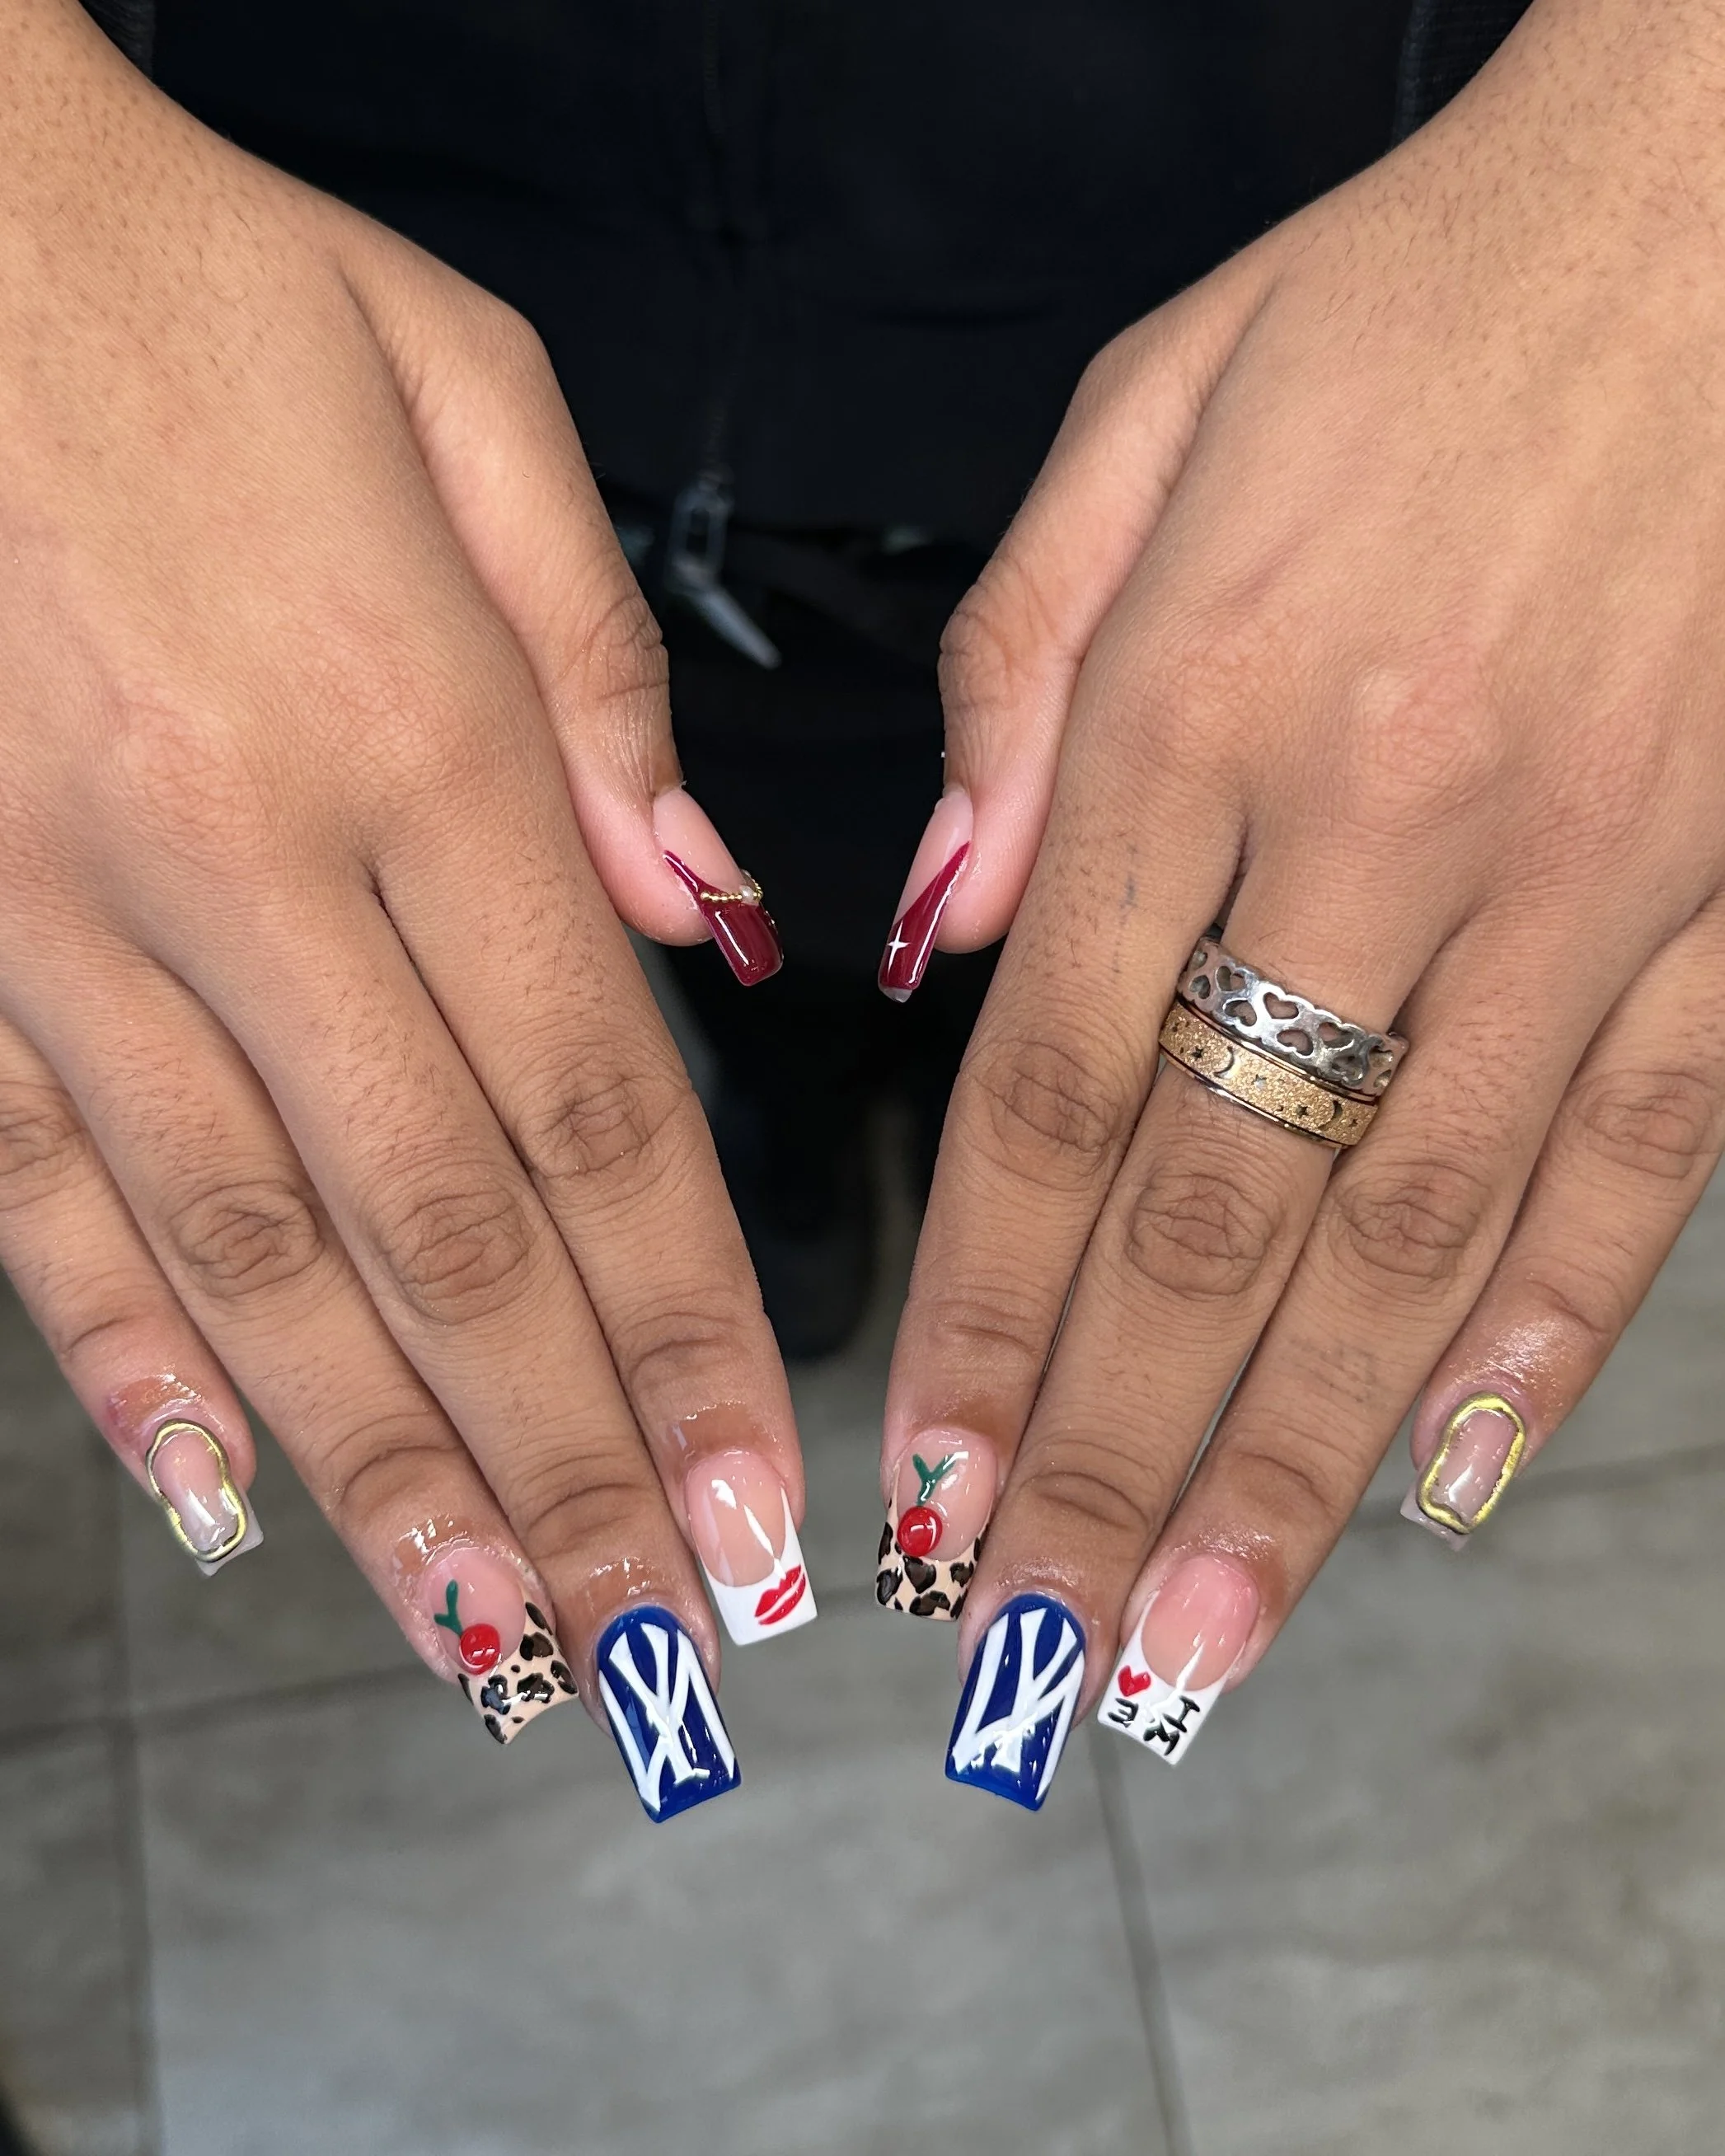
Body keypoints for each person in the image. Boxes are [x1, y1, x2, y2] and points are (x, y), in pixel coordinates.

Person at [2, 0, 1720, 1815]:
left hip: (1337, 357)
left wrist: (1672, 164)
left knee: (1054, 1007)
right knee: (742, 947)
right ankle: (801, 1166)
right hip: (294, 351)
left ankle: (829, 1155)